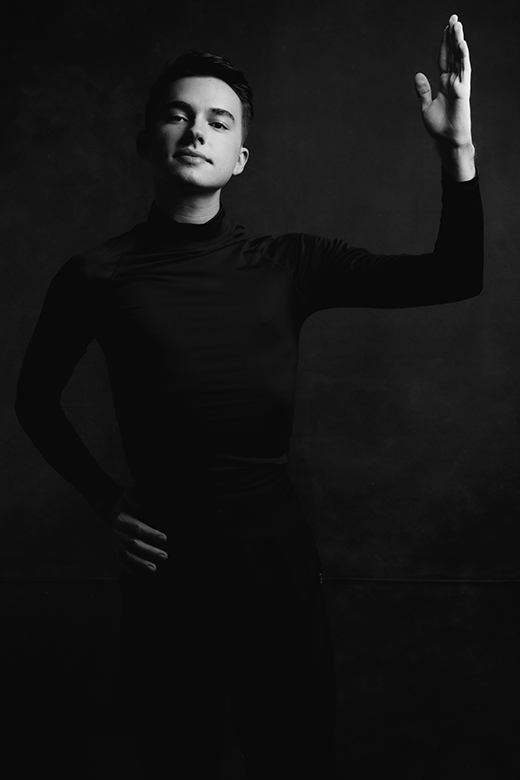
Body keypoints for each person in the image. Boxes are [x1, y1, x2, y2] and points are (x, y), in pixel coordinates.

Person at [15, 14, 482, 780]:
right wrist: (105, 501)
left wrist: (454, 147)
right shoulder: (94, 275)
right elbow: (34, 400)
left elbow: (456, 275)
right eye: (177, 113)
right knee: (177, 754)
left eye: (218, 120)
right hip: (167, 572)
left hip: (276, 567)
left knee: (293, 753)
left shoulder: (288, 264)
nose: (196, 130)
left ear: (241, 158)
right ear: (147, 140)